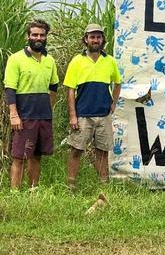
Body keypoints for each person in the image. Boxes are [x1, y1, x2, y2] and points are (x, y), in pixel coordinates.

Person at [63, 24, 121, 188]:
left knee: (102, 152)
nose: (95, 40)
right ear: (86, 39)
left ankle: (104, 185)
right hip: (83, 115)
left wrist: (113, 103)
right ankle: (71, 185)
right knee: (76, 150)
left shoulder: (109, 61)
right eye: (92, 37)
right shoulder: (77, 61)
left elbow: (117, 83)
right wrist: (73, 116)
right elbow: (70, 90)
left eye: (98, 37)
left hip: (104, 115)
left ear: (102, 40)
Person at [3, 20, 58, 190]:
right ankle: (15, 193)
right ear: (28, 36)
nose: (38, 38)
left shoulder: (50, 60)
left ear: (46, 37)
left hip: (43, 116)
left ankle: (33, 190)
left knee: (36, 155)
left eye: (42, 35)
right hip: (24, 116)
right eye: (34, 34)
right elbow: (10, 89)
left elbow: (53, 87)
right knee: (19, 156)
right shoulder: (16, 59)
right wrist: (14, 115)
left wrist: (49, 109)